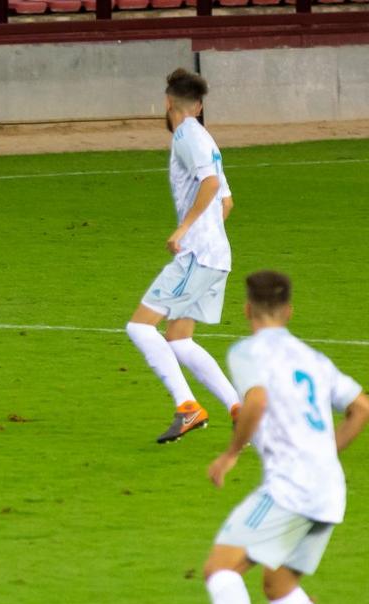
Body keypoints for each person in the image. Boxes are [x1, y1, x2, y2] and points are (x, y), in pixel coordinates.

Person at [194, 270, 369, 604]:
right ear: (289, 311)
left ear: (246, 310)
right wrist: (326, 453)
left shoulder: (248, 352)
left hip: (291, 488)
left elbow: (255, 401)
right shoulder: (313, 358)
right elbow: (363, 409)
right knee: (279, 585)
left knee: (220, 568)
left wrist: (232, 452)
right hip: (329, 490)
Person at [126, 68, 241, 444]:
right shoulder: (205, 137)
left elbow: (210, 185)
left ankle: (187, 407)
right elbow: (227, 201)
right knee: (178, 339)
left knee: (140, 327)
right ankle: (238, 409)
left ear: (167, 102)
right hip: (216, 255)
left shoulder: (187, 136)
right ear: (200, 104)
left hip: (197, 254)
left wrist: (185, 229)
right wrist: (207, 231)